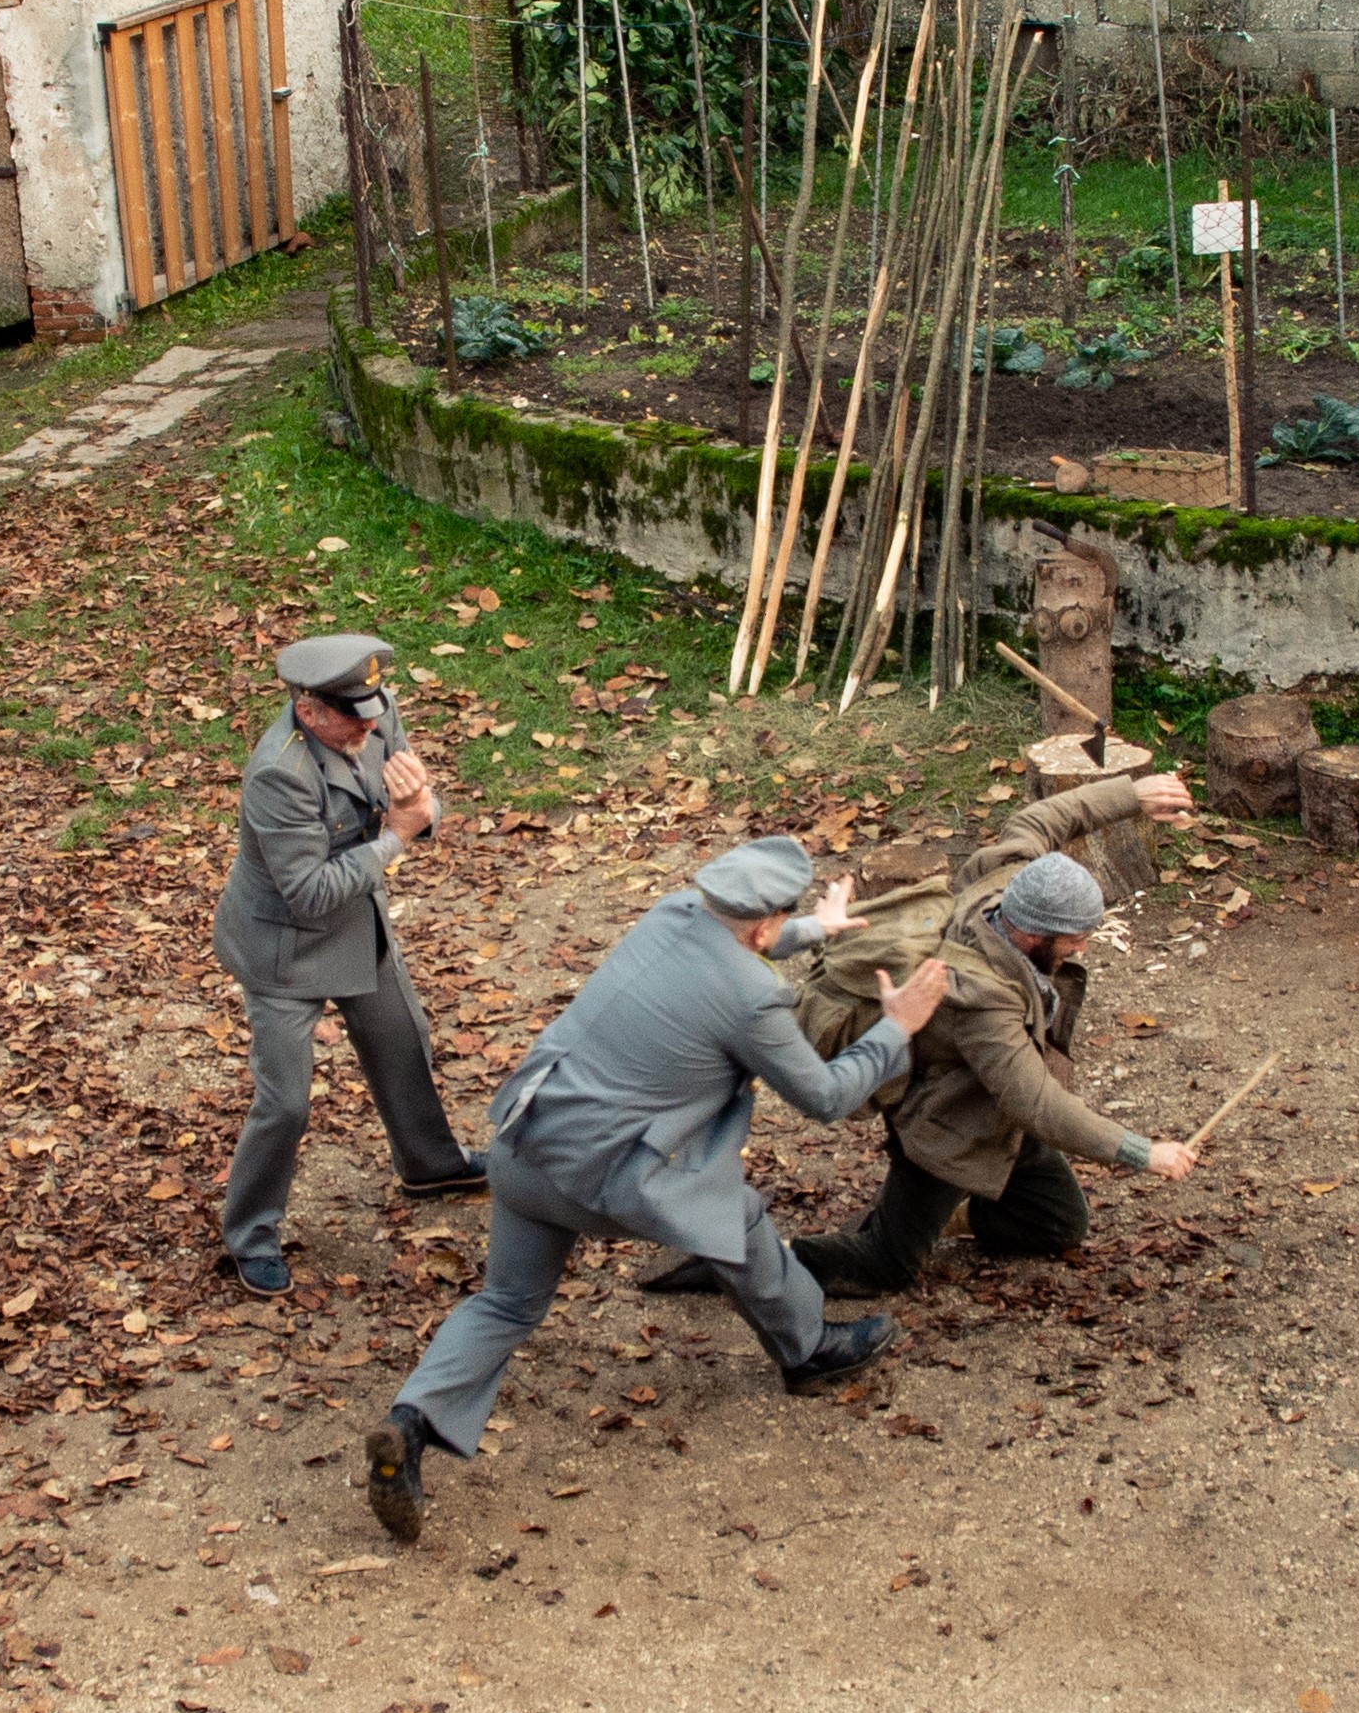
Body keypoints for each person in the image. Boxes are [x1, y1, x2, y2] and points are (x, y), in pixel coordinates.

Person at [361, 837, 952, 1543]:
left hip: (526, 1143)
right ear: (761, 926)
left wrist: (817, 929)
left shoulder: (673, 912)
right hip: (607, 1177)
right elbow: (825, 1097)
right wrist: (896, 1026)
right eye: (780, 922)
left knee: (508, 1301)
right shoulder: (755, 995)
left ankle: (411, 1424)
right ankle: (809, 1349)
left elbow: (738, 937)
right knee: (736, 1217)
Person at [752, 775, 1202, 1297]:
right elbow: (1037, 1103)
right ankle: (757, 1263)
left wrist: (1131, 797)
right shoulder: (981, 1000)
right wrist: (1143, 1153)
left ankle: (959, 1212)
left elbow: (1044, 818)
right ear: (1034, 934)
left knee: (1057, 1223)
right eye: (1075, 939)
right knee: (883, 1267)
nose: (1082, 949)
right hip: (949, 1127)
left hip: (997, 1117)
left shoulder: (1006, 880)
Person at [211, 635, 487, 1298]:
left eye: (374, 709)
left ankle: (429, 1164)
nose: (373, 723)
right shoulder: (279, 773)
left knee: (403, 1039)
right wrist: (398, 833)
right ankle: (249, 1235)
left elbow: (417, 798)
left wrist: (422, 810)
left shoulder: (373, 709)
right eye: (355, 718)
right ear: (310, 711)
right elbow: (306, 893)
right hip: (285, 948)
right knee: (284, 1102)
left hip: (357, 922)